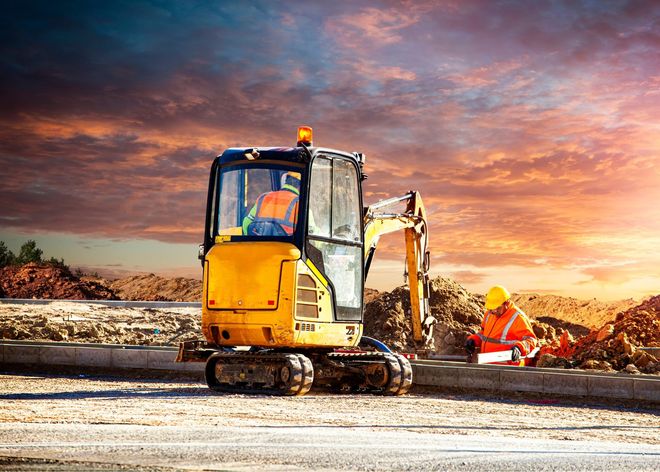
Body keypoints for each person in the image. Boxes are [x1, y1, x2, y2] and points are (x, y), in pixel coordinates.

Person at [465, 285, 537, 366]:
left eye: (497, 308)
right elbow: (484, 334)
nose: (493, 311)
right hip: (486, 365)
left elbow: (531, 340)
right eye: (491, 308)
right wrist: (474, 340)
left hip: (507, 368)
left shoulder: (518, 317)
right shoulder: (489, 314)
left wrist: (520, 347)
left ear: (506, 303)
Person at [242, 171, 301, 236]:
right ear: (300, 186)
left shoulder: (264, 198)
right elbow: (311, 233)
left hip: (263, 244)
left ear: (286, 181)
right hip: (287, 245)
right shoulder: (300, 203)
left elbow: (246, 222)